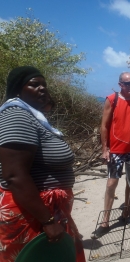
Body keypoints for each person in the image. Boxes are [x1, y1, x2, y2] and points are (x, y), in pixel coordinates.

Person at [0, 66, 85, 261]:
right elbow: (14, 176)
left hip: (47, 212)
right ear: (17, 89)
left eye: (44, 85)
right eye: (34, 84)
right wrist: (47, 221)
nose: (43, 89)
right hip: (33, 215)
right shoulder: (16, 115)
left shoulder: (30, 115)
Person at [91, 72, 130, 239]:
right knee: (112, 183)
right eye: (128, 84)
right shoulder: (112, 99)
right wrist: (105, 149)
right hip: (116, 150)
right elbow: (104, 126)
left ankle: (126, 212)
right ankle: (105, 221)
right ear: (120, 84)